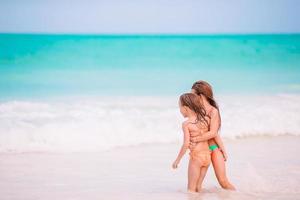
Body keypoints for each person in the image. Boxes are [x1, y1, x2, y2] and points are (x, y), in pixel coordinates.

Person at [189, 80, 236, 190]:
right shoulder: (197, 110)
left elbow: (214, 133)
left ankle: (237, 196)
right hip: (200, 150)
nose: (191, 96)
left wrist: (222, 149)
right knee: (196, 186)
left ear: (200, 95)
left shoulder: (213, 111)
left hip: (213, 148)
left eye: (193, 94)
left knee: (223, 181)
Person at [172, 93, 212, 192]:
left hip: (196, 158)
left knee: (191, 189)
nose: (179, 110)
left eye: (180, 107)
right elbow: (212, 134)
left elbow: (186, 144)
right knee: (199, 188)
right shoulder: (206, 119)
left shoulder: (186, 124)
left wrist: (177, 160)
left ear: (185, 108)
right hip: (207, 157)